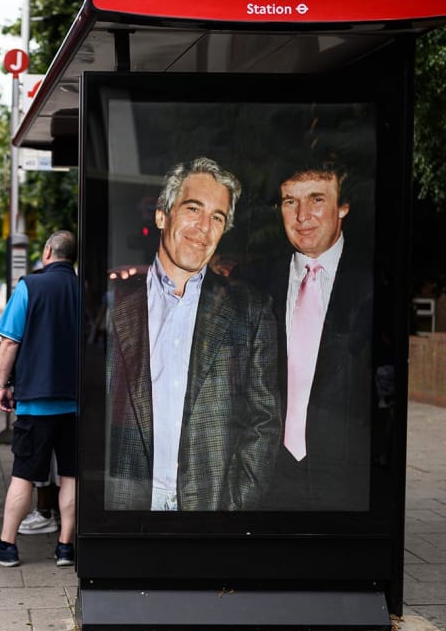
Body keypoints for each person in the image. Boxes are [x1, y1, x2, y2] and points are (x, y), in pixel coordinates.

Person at [105, 157, 282, 511]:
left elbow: (264, 422)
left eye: (217, 217)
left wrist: (235, 506)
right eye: (193, 209)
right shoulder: (112, 304)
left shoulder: (250, 309)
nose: (204, 227)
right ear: (162, 215)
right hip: (125, 505)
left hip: (210, 507)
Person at [259, 164, 372, 510]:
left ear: (343, 207)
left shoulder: (371, 284)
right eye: (290, 202)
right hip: (270, 475)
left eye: (317, 199)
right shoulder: (257, 283)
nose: (302, 216)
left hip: (348, 476)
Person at [0, 230, 79, 567]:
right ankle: (65, 547)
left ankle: (7, 546)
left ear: (48, 251)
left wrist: (1, 384)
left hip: (36, 401)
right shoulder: (85, 289)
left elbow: (8, 342)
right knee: (71, 475)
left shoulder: (30, 287)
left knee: (23, 474)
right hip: (77, 403)